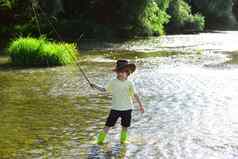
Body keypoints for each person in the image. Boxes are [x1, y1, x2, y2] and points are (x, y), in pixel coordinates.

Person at [90, 59, 144, 144]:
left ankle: (123, 142)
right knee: (107, 126)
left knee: (125, 127)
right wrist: (95, 86)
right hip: (115, 108)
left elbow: (135, 94)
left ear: (128, 72)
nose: (120, 74)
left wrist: (141, 106)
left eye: (122, 72)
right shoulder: (113, 82)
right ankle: (99, 141)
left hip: (127, 109)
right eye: (118, 72)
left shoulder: (130, 83)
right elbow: (104, 89)